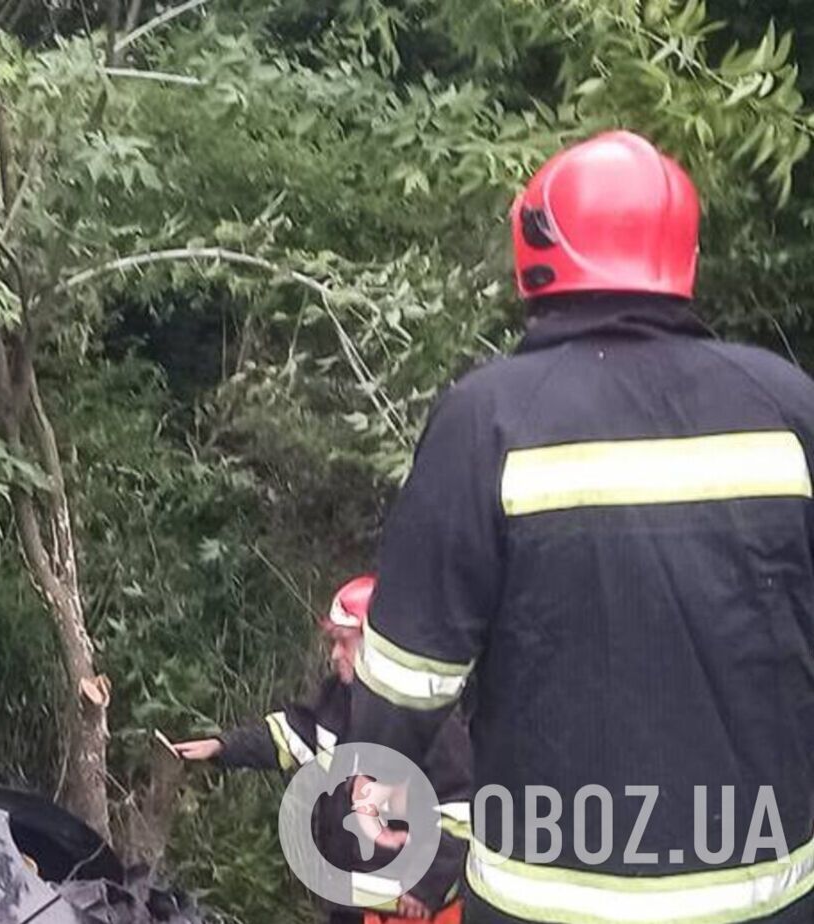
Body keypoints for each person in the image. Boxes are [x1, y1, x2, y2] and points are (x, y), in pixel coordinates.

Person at [346, 130, 814, 924]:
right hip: (766, 894)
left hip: (548, 899)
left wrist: (380, 771)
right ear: (681, 256)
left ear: (536, 250)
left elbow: (410, 668)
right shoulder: (789, 407)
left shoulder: (488, 420)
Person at [175, 576, 469, 924]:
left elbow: (462, 810)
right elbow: (293, 736)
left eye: (344, 643)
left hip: (410, 909)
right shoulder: (337, 701)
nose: (334, 655)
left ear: (378, 643)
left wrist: (427, 886)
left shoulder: (430, 715)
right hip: (351, 900)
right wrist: (222, 747)